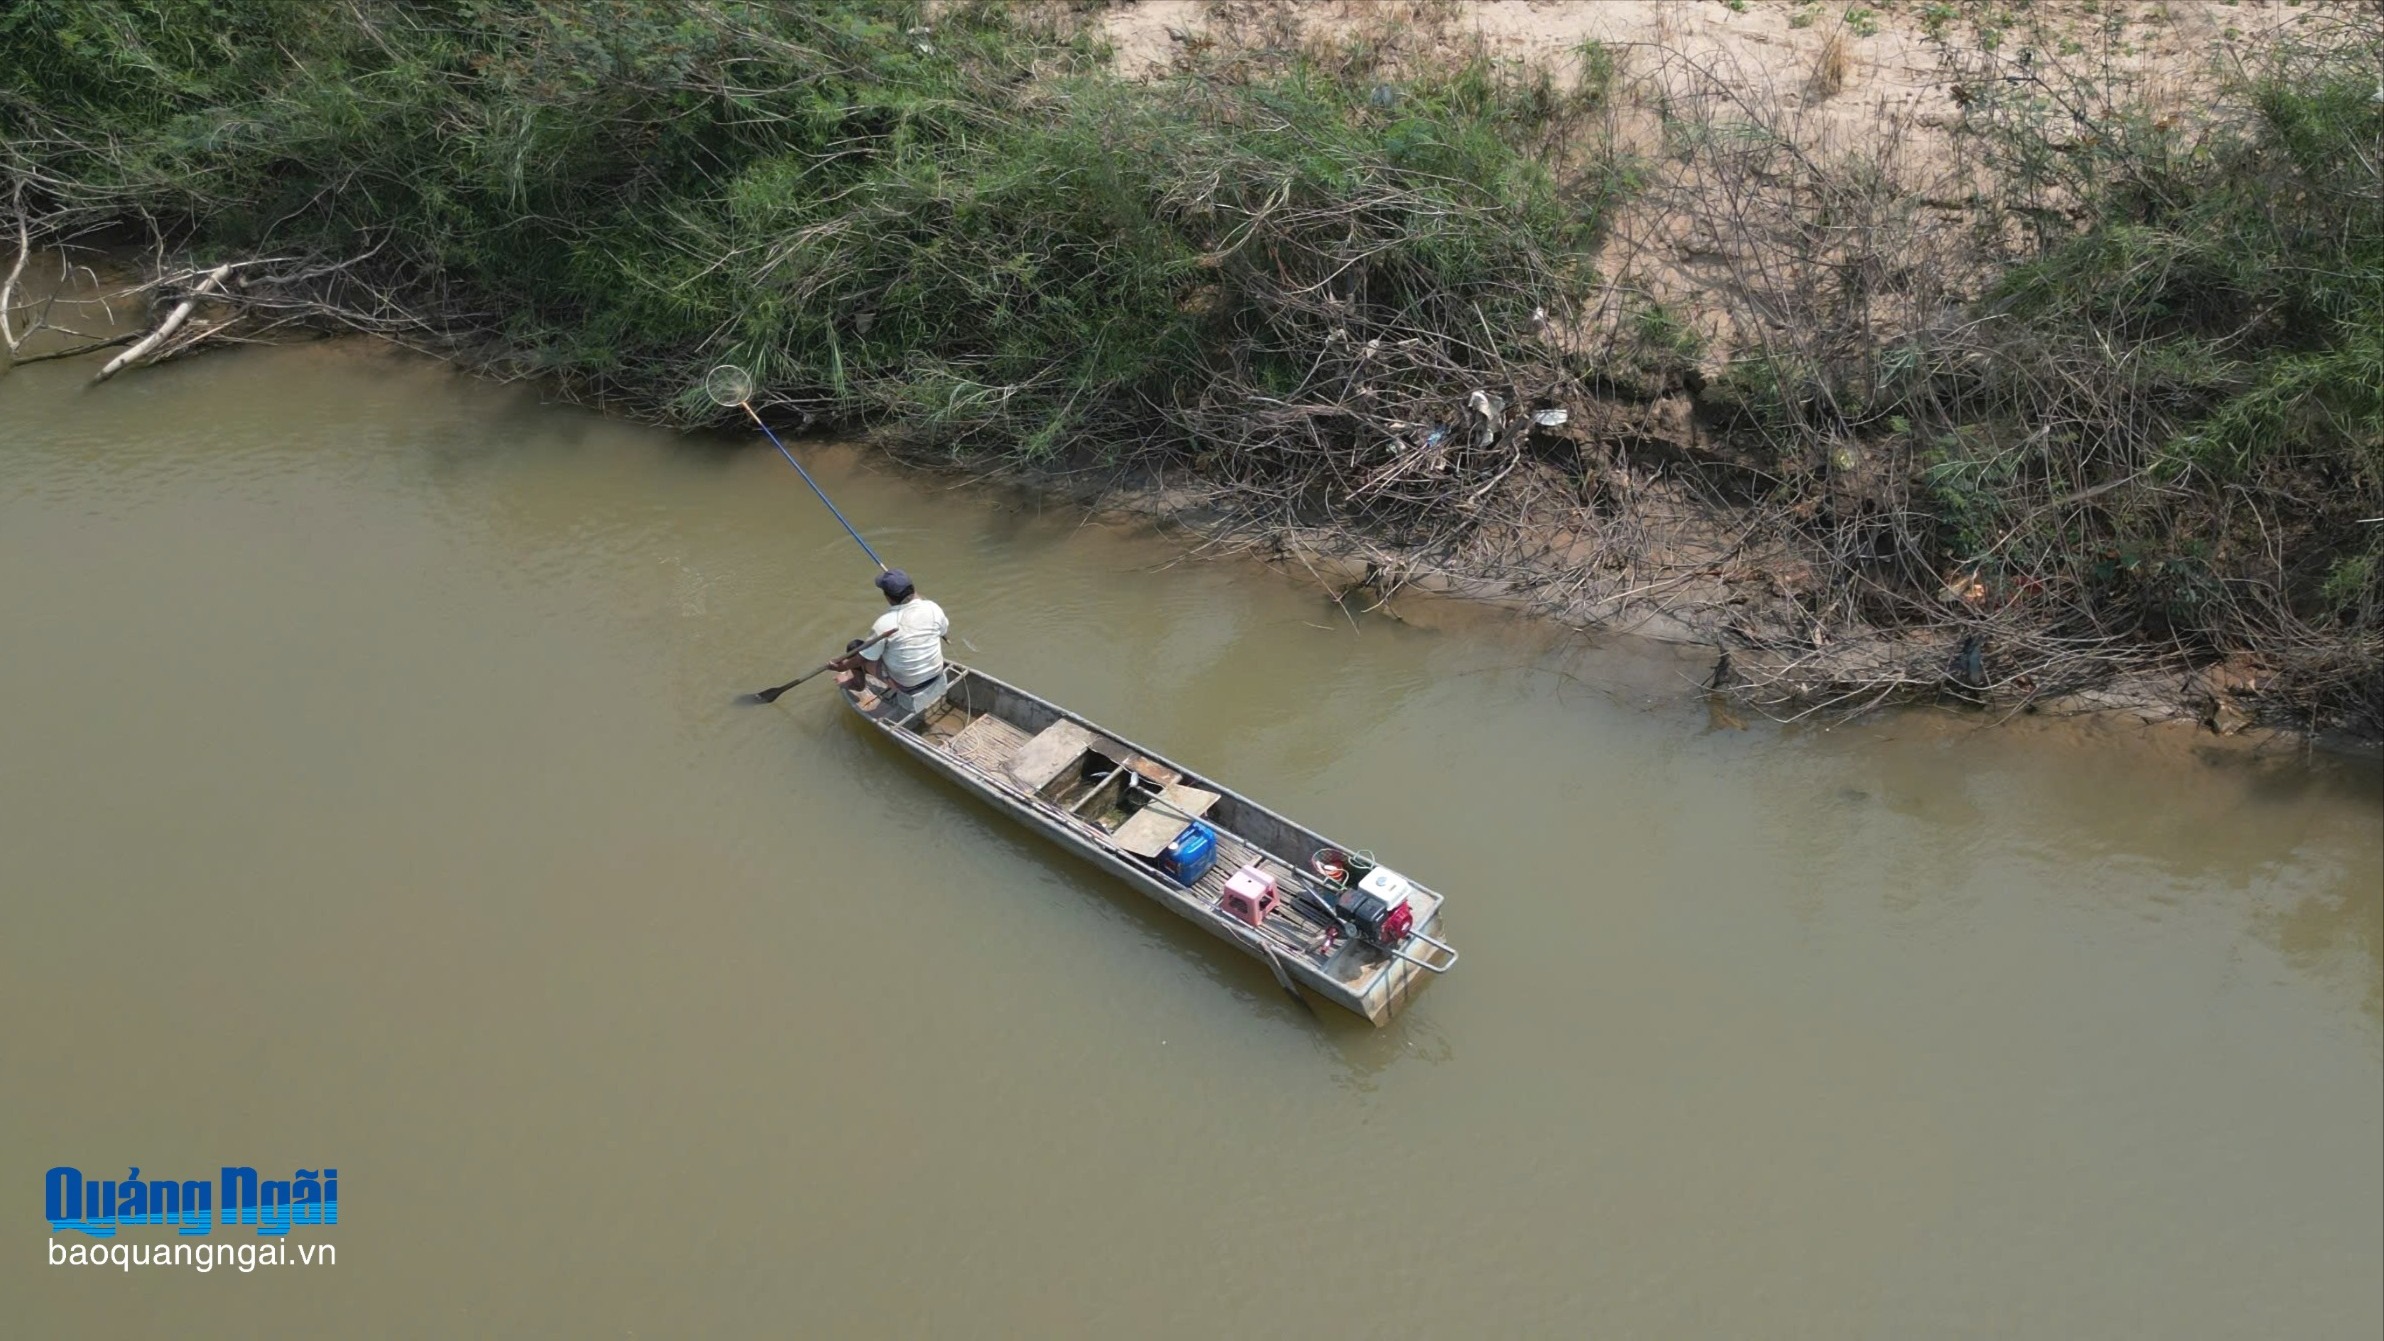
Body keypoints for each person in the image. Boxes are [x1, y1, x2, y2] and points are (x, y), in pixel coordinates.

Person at [832, 569, 950, 714]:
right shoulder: (933, 608)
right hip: (936, 673)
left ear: (888, 598)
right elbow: (943, 631)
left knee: (855, 646)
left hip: (907, 685)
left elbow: (862, 658)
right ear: (913, 589)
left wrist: (841, 667)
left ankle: (858, 684)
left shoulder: (885, 624)